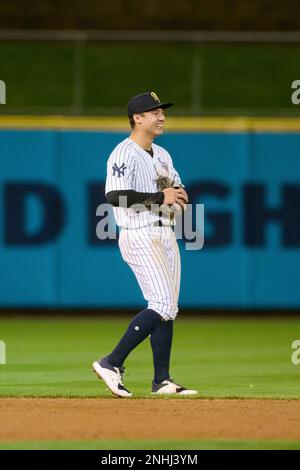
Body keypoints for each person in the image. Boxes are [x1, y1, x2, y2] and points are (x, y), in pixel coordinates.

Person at [92, 91, 197, 397]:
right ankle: (111, 362)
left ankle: (162, 380)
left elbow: (176, 187)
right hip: (139, 232)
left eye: (162, 111)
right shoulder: (123, 153)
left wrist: (179, 194)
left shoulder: (162, 154)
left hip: (166, 232)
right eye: (154, 112)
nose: (161, 116)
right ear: (137, 118)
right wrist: (159, 198)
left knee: (168, 309)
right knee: (163, 304)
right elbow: (115, 196)